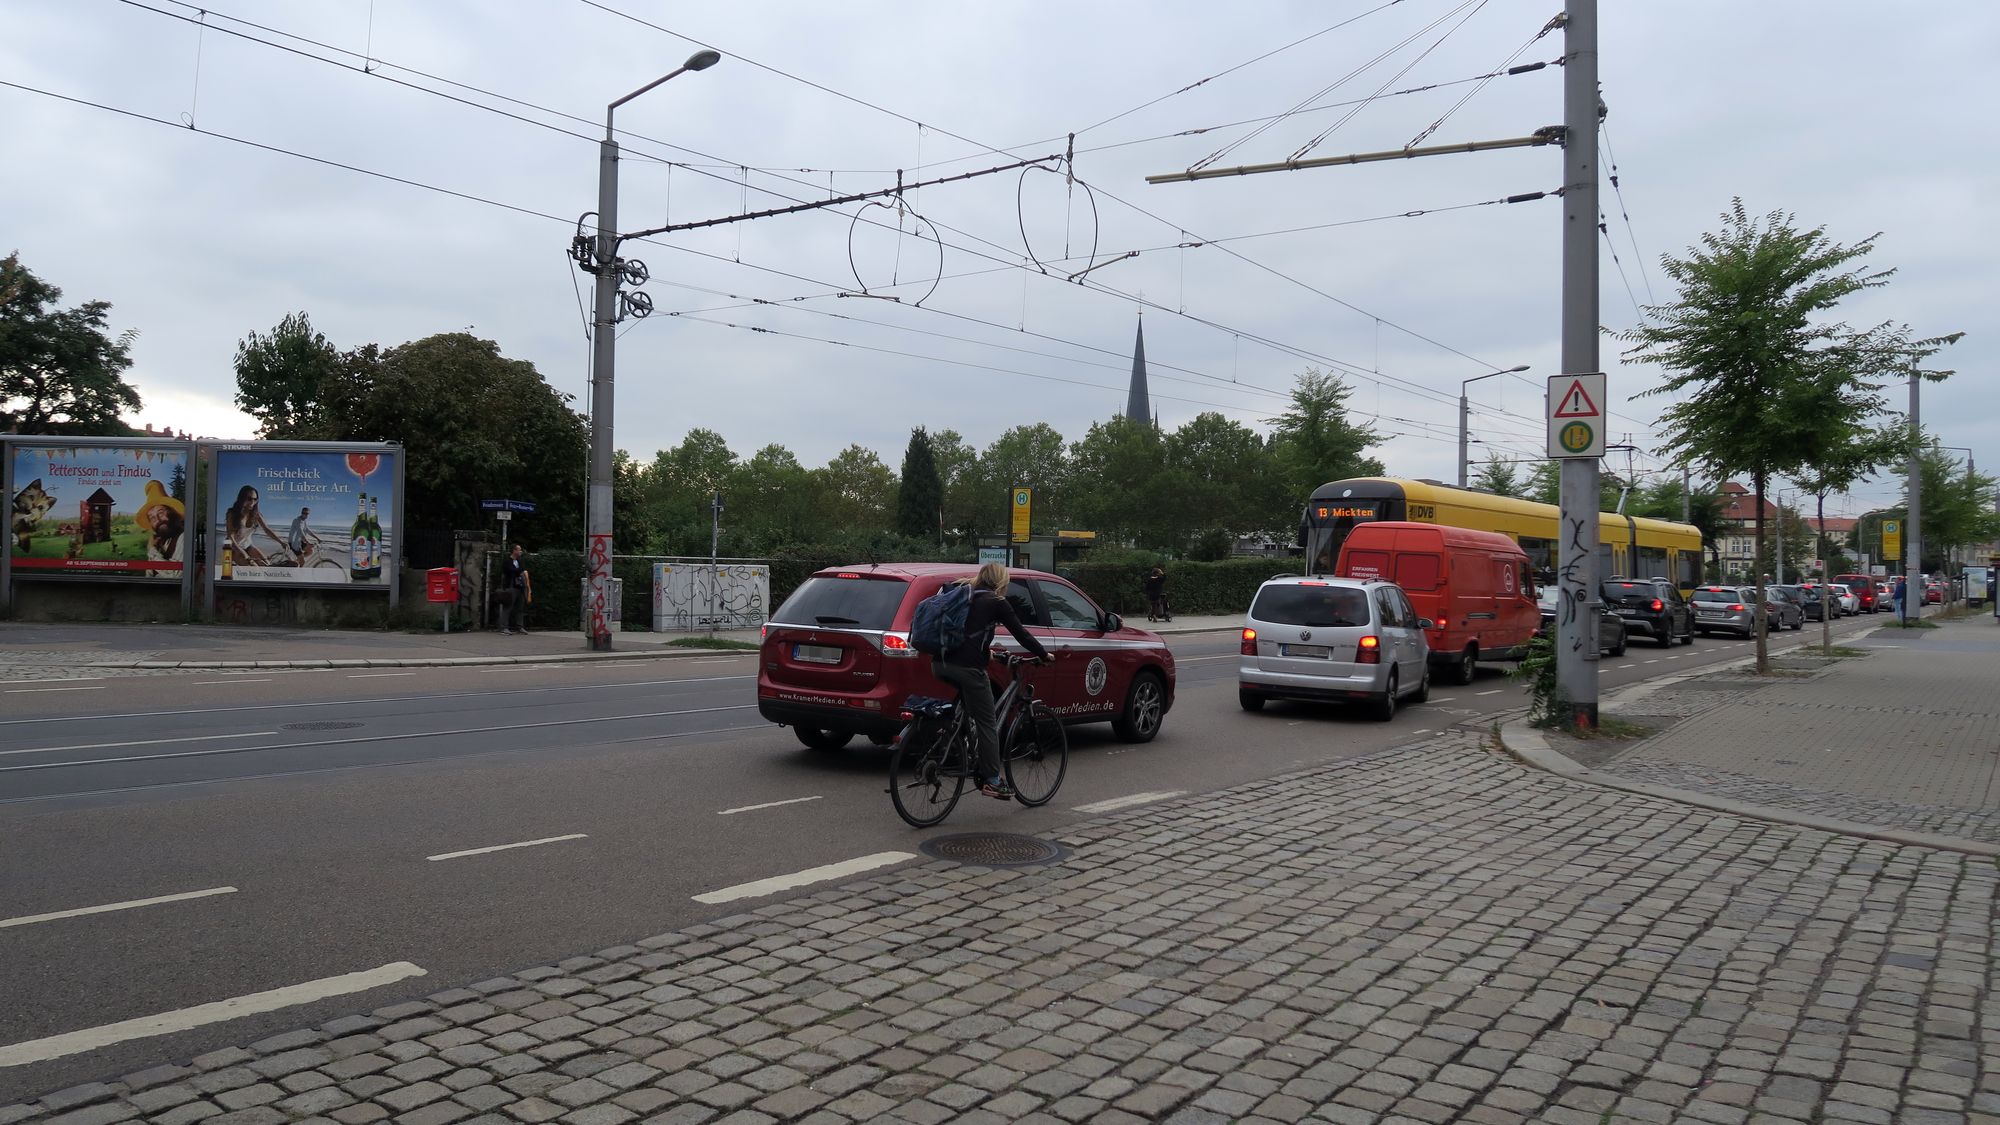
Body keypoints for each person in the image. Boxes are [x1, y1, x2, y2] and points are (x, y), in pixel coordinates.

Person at [932, 562, 1052, 800]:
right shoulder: (996, 602)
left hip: (939, 663)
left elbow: (969, 635)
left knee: (969, 707)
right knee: (988, 722)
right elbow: (1022, 634)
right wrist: (1043, 654)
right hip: (968, 668)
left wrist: (991, 654)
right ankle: (993, 781)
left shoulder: (965, 596)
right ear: (1001, 581)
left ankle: (955, 737)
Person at [224, 486, 285, 566]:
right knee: (253, 568)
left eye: (255, 499)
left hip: (248, 545)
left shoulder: (256, 515)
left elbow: (267, 530)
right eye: (249, 499)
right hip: (233, 548)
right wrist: (242, 553)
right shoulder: (232, 513)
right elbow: (230, 537)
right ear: (242, 498)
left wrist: (281, 542)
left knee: (267, 565)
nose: (252, 502)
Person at [137, 480, 184, 578]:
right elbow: (149, 576)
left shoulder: (183, 537)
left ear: (172, 512)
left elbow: (176, 575)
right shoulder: (159, 542)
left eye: (161, 513)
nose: (158, 520)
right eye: (152, 518)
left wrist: (152, 550)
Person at [498, 544, 531, 635]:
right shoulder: (507, 561)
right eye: (519, 550)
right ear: (514, 551)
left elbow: (522, 570)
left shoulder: (519, 561)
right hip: (511, 587)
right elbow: (512, 571)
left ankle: (520, 627)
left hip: (520, 586)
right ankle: (504, 627)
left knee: (520, 608)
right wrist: (519, 570)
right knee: (508, 607)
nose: (520, 552)